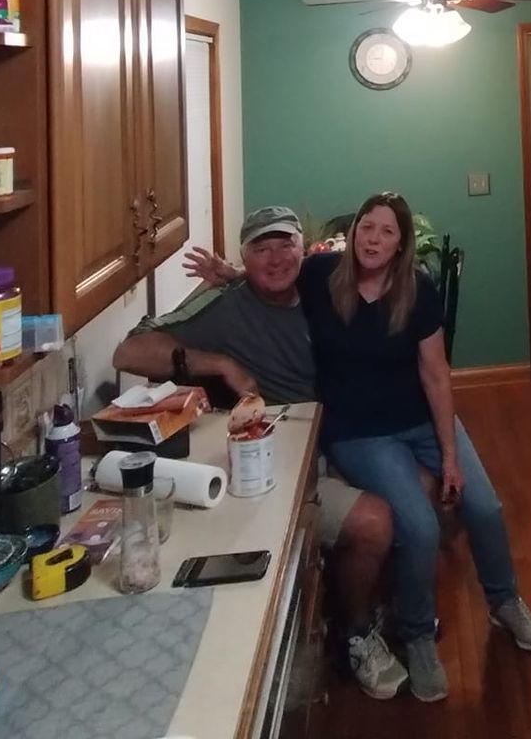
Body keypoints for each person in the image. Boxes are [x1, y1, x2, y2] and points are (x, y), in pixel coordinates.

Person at [111, 205, 410, 701]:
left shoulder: (328, 288)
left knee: (425, 494)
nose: (274, 259)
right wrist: (220, 363)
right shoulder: (226, 305)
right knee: (374, 522)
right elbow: (128, 353)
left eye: (284, 245)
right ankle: (353, 631)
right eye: (260, 248)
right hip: (288, 452)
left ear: (304, 250)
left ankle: (390, 606)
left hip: (352, 431)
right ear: (244, 257)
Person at [299, 192, 531, 704]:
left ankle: (504, 602)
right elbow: (267, 274)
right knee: (418, 523)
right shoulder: (321, 274)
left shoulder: (418, 289)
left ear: (402, 245)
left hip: (418, 421)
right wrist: (224, 274)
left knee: (484, 504)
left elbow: (435, 374)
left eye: (387, 232)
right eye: (367, 227)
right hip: (359, 433)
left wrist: (449, 454)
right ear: (354, 233)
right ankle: (416, 635)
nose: (373, 239)